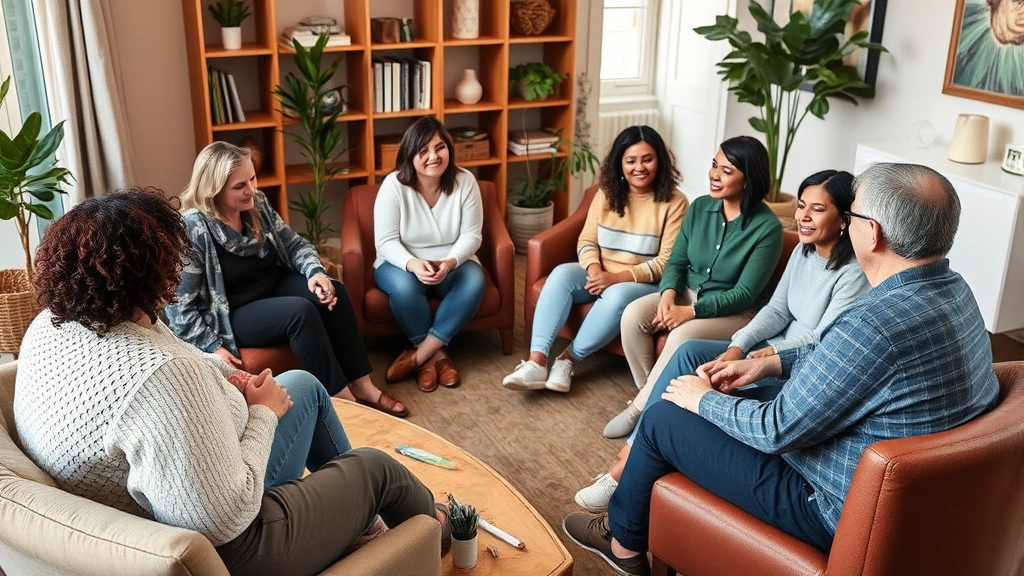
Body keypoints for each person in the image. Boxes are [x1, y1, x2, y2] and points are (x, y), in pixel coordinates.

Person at [561, 163, 1000, 576]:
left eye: (851, 213)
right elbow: (852, 364)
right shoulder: (955, 292)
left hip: (828, 504)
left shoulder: (873, 323)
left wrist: (702, 400)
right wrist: (771, 362)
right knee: (722, 395)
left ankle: (622, 543)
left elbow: (777, 430)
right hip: (909, 500)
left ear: (873, 232)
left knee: (663, 418)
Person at [15, 189, 450, 576]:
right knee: (376, 468)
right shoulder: (158, 378)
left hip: (183, 486)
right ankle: (437, 530)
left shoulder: (55, 326)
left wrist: (227, 375)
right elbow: (221, 521)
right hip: (237, 545)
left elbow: (178, 355)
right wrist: (262, 413)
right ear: (153, 271)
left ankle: (359, 524)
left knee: (303, 385)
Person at [575, 169, 871, 512]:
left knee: (697, 374)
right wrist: (737, 346)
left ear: (844, 219)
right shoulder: (803, 252)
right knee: (688, 353)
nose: (803, 217)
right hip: (763, 351)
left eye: (817, 210)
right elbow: (776, 309)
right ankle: (633, 449)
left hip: (790, 369)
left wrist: (764, 356)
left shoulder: (853, 273)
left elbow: (820, 341)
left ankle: (621, 471)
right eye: (802, 206)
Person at [166, 142, 408, 418]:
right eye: (239, 186)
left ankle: (363, 385)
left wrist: (315, 272)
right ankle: (343, 400)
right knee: (300, 312)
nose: (251, 190)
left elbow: (295, 245)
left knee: (333, 290)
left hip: (273, 284)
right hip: (234, 310)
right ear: (214, 188)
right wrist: (213, 345)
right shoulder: (193, 228)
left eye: (252, 179)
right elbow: (178, 306)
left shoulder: (258, 206)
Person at [502, 126, 688, 393]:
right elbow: (587, 240)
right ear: (619, 163)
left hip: (641, 283)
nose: (640, 167)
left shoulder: (676, 202)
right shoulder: (606, 193)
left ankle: (567, 360)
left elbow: (666, 262)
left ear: (660, 159)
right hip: (602, 271)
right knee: (561, 275)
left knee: (616, 295)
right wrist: (595, 269)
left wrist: (615, 279)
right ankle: (537, 362)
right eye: (631, 160)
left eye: (648, 159)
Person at [618, 136, 784, 409]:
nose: (715, 175)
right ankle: (649, 395)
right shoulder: (698, 207)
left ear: (748, 179)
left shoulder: (768, 229)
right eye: (714, 165)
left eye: (727, 171)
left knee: (681, 335)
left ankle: (638, 409)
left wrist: (691, 312)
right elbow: (677, 260)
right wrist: (668, 295)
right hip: (686, 293)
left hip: (733, 313)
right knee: (632, 316)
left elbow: (744, 294)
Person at [374, 116, 486, 392]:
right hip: (400, 261)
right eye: (423, 151)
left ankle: (419, 356)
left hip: (452, 259)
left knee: (475, 279)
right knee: (402, 287)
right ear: (409, 156)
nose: (433, 157)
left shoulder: (465, 180)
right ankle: (438, 358)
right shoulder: (393, 185)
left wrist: (449, 262)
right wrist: (412, 264)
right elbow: (386, 241)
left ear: (449, 147)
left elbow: (472, 235)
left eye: (439, 147)